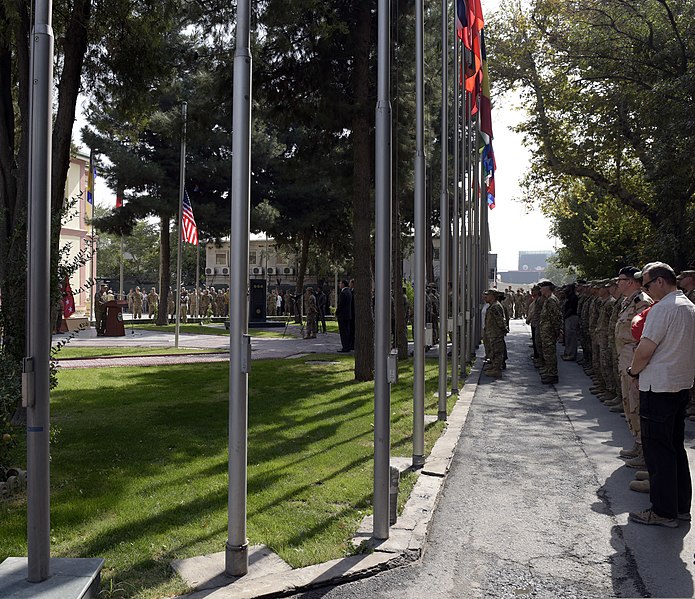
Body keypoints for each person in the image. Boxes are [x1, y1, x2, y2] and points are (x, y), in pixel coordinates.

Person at [627, 262, 695, 527]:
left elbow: (645, 349)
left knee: (658, 453)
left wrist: (634, 372)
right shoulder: (689, 306)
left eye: (646, 284)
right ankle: (679, 508)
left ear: (659, 282)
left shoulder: (663, 309)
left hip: (658, 387)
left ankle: (663, 512)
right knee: (675, 449)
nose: (646, 290)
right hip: (680, 385)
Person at [538, 280, 562, 384]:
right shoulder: (548, 299)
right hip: (546, 332)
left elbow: (555, 318)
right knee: (547, 353)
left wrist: (556, 331)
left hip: (549, 332)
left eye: (541, 288)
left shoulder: (551, 300)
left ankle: (552, 374)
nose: (540, 290)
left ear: (546, 288)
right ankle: (549, 370)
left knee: (550, 353)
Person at [482, 289, 507, 377]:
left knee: (497, 351)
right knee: (493, 350)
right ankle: (493, 366)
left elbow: (500, 320)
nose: (485, 297)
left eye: (487, 295)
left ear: (492, 296)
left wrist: (503, 329)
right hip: (492, 332)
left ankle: (497, 369)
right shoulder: (492, 306)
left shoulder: (495, 306)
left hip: (496, 333)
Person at [561, 283, 579, 361]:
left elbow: (571, 309)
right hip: (568, 318)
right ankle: (567, 352)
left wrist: (565, 316)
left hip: (571, 317)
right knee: (568, 337)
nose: (566, 289)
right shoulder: (568, 297)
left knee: (571, 337)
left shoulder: (573, 297)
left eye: (567, 288)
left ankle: (571, 354)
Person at [336, 279, 352, 352]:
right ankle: (347, 346)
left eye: (340, 283)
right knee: (347, 331)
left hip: (342, 315)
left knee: (343, 332)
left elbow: (341, 305)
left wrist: (336, 312)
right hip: (348, 315)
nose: (339, 285)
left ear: (343, 284)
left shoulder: (343, 293)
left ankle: (345, 347)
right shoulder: (349, 292)